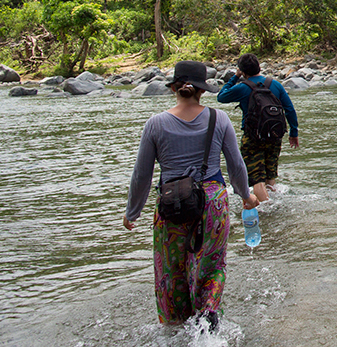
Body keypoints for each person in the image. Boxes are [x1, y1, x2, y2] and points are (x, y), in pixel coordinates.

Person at [123, 60, 259, 332]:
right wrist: (247, 196)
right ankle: (208, 313)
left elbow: (142, 175)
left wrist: (132, 212)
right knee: (212, 263)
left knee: (170, 271)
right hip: (212, 202)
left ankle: (175, 327)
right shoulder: (218, 118)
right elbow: (235, 165)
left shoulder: (155, 123)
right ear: (203, 91)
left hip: (172, 203)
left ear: (174, 87)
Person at [217, 53, 299, 203]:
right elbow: (289, 109)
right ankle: (276, 206)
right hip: (274, 136)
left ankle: (266, 214)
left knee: (257, 179)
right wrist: (294, 132)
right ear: (259, 67)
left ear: (242, 71)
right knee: (270, 176)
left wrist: (235, 77)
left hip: (253, 138)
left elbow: (221, 96)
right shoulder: (275, 84)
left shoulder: (242, 87)